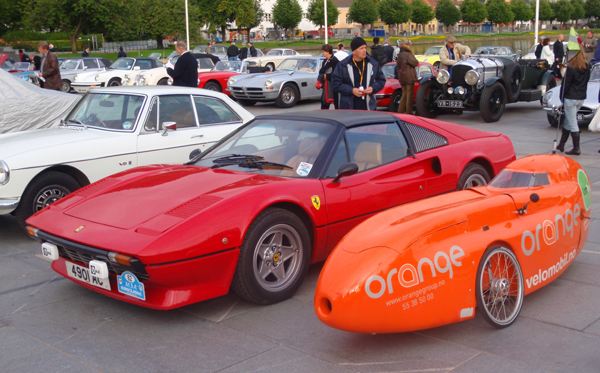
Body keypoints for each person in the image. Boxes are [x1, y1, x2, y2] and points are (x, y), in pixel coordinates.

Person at [331, 37, 386, 111]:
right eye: (361, 48)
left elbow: (381, 80)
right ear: (354, 51)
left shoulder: (373, 63)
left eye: (365, 48)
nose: (364, 50)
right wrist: (351, 90)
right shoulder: (343, 65)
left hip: (369, 107)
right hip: (349, 108)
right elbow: (335, 83)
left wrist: (373, 88)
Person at [556, 48, 590, 155]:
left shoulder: (571, 68)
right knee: (568, 120)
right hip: (581, 97)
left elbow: (566, 84)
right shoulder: (587, 67)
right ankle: (561, 144)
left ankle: (576, 148)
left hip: (571, 97)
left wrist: (562, 96)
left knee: (572, 122)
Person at [396, 39, 418, 114]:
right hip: (409, 77)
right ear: (406, 45)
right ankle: (409, 111)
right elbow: (415, 63)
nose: (409, 46)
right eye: (408, 45)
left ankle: (400, 111)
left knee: (404, 94)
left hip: (402, 77)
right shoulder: (408, 54)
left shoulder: (400, 54)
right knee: (409, 96)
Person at [317, 44, 339, 109]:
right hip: (326, 86)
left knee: (336, 103)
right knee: (324, 104)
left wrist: (327, 76)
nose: (322, 53)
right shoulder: (324, 61)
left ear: (327, 51)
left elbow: (336, 74)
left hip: (333, 86)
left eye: (323, 52)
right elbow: (321, 71)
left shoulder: (335, 61)